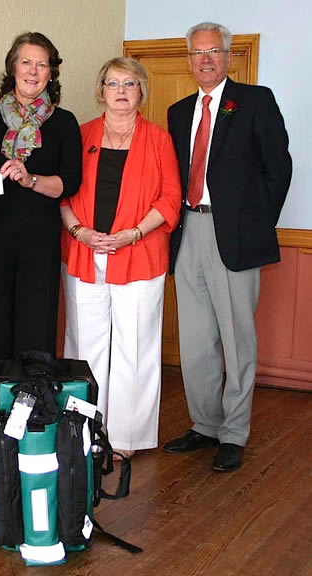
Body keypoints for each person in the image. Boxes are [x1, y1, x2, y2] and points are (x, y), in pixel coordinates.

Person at [164, 22, 292, 471]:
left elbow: (279, 168)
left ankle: (234, 432)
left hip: (235, 235)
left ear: (228, 57)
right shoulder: (179, 113)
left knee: (238, 341)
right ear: (189, 59)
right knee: (196, 343)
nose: (205, 59)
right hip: (188, 234)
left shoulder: (255, 101)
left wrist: (256, 224)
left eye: (214, 51)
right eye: (197, 52)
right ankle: (205, 425)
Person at [0, 32, 82, 451]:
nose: (33, 71)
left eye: (43, 64)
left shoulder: (64, 123)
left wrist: (29, 178)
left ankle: (32, 428)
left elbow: (68, 184)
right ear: (12, 67)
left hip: (38, 245)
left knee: (34, 337)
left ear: (52, 73)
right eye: (26, 63)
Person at [61, 58, 182, 458]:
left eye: (130, 83)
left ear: (141, 91)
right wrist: (80, 231)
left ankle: (126, 439)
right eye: (112, 82)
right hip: (85, 251)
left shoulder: (158, 139)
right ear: (101, 90)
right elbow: (61, 193)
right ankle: (82, 434)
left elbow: (168, 199)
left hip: (140, 253)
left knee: (135, 348)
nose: (121, 90)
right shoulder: (81, 135)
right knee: (85, 347)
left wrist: (132, 233)